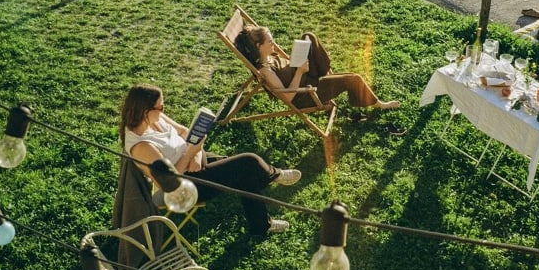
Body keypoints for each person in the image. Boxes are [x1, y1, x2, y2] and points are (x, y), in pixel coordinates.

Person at [119, 83, 298, 236]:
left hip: (193, 161)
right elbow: (168, 182)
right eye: (161, 107)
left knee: (245, 173)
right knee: (248, 163)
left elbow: (183, 131)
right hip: (184, 187)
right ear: (144, 111)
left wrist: (196, 154)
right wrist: (191, 154)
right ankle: (274, 175)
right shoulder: (142, 147)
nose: (163, 109)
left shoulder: (154, 118)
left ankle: (261, 226)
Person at [236, 26, 399, 110]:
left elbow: (287, 67)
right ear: (259, 46)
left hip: (307, 76)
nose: (274, 43)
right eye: (270, 42)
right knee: (354, 79)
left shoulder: (270, 56)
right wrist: (299, 72)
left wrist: (297, 59)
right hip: (306, 93)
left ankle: (327, 75)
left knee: (309, 36)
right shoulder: (265, 71)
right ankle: (378, 104)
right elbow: (288, 98)